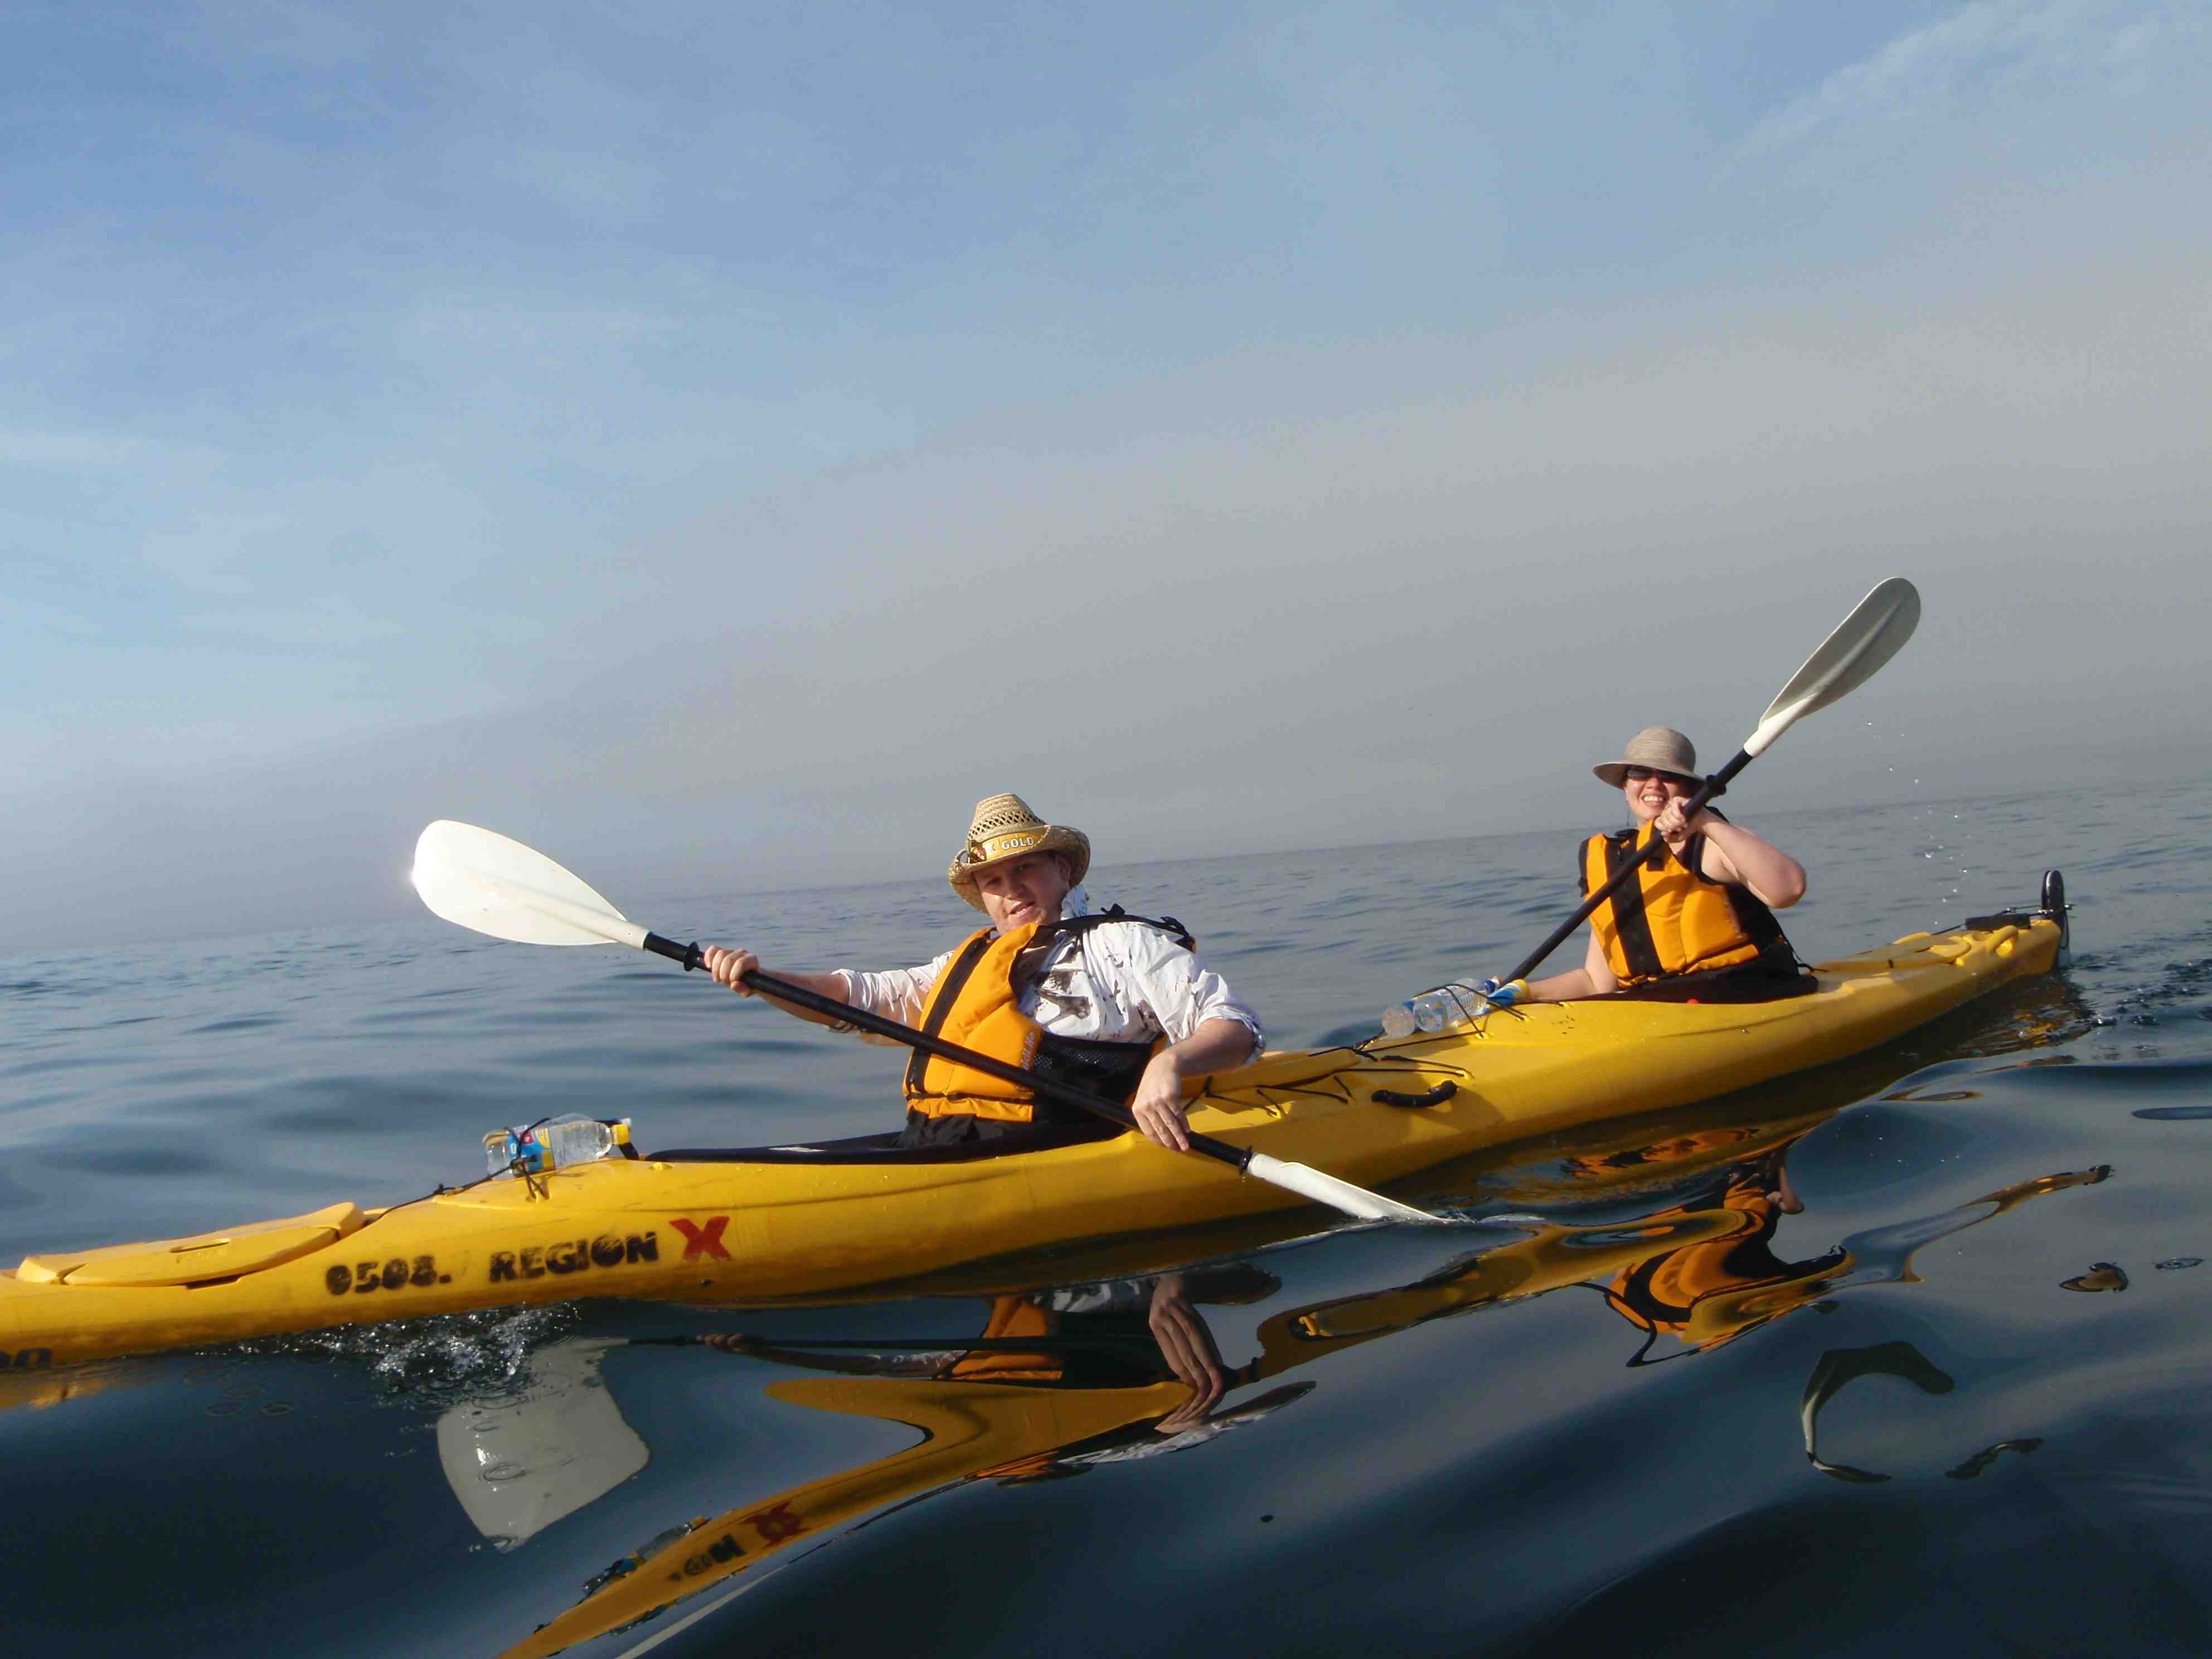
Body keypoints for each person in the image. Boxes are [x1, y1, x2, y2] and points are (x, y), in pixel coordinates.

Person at [699, 793, 1263, 1153]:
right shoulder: (965, 964)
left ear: (1061, 870)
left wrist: (1170, 1065)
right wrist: (761, 978)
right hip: (939, 1145)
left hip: (1061, 1150)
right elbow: (854, 998)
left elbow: (1235, 1026)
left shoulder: (1122, 944)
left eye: (1025, 869)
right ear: (981, 894)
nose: (1011, 888)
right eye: (993, 879)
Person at [1486, 726, 1811, 1006]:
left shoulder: (1713, 840)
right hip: (1657, 1008)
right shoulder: (1610, 862)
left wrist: (1704, 819)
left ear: (1689, 789)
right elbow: (1597, 983)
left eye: (1668, 776)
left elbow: (1788, 890)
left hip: (1745, 995)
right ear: (1626, 786)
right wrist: (1523, 992)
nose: (1654, 784)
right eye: (1641, 774)